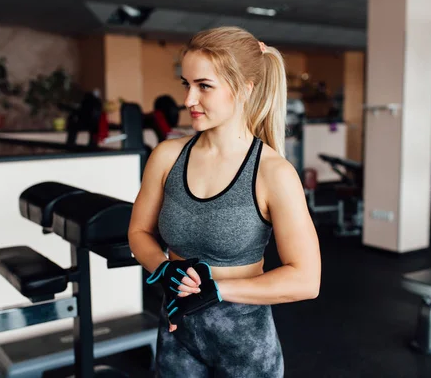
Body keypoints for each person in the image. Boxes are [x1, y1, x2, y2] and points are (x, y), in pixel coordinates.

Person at [128, 26, 321, 377]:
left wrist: (216, 290)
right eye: (186, 84)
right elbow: (139, 231)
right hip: (177, 335)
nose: (188, 100)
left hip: (245, 346)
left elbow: (306, 280)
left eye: (204, 86)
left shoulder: (272, 173)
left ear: (245, 89)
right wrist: (163, 266)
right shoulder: (167, 156)